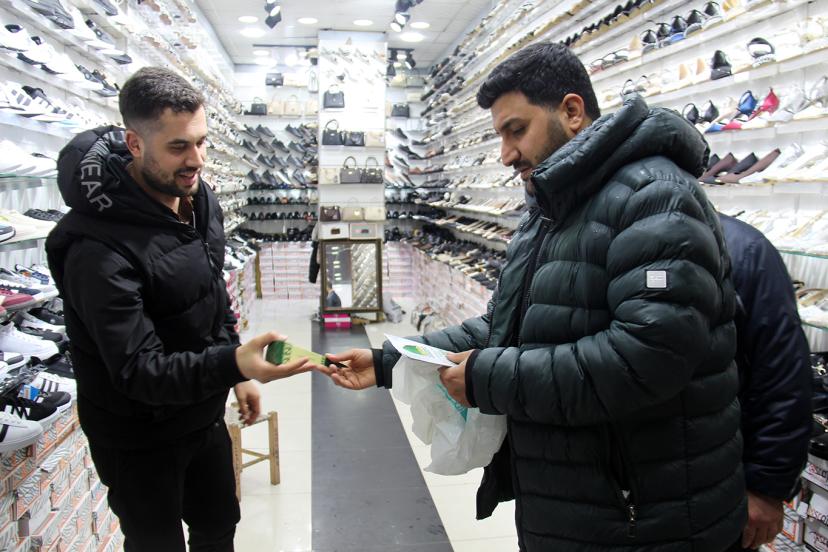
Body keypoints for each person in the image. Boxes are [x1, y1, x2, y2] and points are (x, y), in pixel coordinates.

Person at [316, 42, 746, 551]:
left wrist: (488, 378)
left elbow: (646, 358)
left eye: (516, 130)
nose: (505, 155)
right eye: (501, 135)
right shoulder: (551, 209)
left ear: (571, 111)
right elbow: (506, 324)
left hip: (645, 520)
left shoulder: (656, 197)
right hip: (574, 505)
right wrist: (393, 360)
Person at [46, 67, 312, 552]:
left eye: (202, 142)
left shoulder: (197, 197)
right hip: (136, 434)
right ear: (134, 143)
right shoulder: (96, 250)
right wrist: (232, 363)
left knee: (219, 526)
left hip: (200, 411)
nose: (197, 160)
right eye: (178, 147)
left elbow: (211, 294)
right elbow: (138, 371)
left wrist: (234, 369)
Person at [719, 213, 812, 551]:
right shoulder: (588, 234)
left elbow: (783, 378)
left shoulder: (744, 249)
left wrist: (765, 487)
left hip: (720, 493)